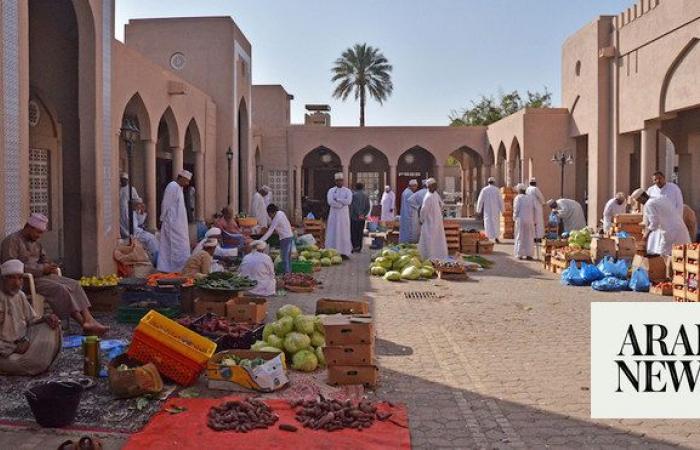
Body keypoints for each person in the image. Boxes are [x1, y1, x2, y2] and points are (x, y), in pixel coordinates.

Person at [0, 213, 108, 335]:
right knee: (60, 289)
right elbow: (10, 267)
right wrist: (41, 269)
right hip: (23, 280)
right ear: (28, 227)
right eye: (38, 232)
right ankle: (83, 323)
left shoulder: (36, 243)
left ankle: (89, 320)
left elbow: (44, 259)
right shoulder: (12, 241)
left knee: (74, 284)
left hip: (41, 277)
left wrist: (49, 266)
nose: (39, 236)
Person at [0, 260, 61, 376]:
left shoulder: (20, 295)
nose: (17, 283)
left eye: (20, 278)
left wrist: (46, 318)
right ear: (2, 279)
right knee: (29, 363)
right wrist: (13, 348)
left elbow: (31, 319)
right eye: (12, 278)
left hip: (22, 343)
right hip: (5, 351)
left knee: (52, 327)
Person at [630, 188, 690, 256]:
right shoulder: (660, 197)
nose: (640, 203)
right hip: (681, 228)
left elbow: (654, 223)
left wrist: (646, 235)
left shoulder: (649, 204)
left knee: (663, 256)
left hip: (670, 232)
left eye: (639, 201)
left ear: (642, 197)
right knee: (684, 255)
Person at [157, 170, 192, 273]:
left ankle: (178, 268)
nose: (187, 183)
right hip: (172, 223)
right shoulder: (172, 186)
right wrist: (162, 218)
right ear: (180, 178)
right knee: (174, 246)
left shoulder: (179, 188)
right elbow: (166, 204)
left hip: (179, 224)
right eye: (186, 181)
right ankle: (170, 269)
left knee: (181, 245)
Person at [418, 179, 448, 259]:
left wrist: (442, 209)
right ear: (429, 186)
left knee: (438, 240)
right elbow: (423, 211)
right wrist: (421, 220)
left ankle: (440, 256)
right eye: (434, 185)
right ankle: (429, 258)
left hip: (437, 222)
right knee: (429, 241)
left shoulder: (435, 194)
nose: (436, 187)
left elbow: (441, 203)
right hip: (429, 223)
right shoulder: (428, 197)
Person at [325, 173, 353, 258]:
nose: (339, 182)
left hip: (344, 216)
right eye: (338, 181)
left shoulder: (348, 191)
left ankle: (344, 252)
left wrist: (338, 199)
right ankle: (332, 252)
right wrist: (341, 204)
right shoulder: (331, 191)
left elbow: (348, 201)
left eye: (341, 180)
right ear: (335, 181)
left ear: (343, 181)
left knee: (344, 233)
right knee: (333, 232)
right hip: (334, 215)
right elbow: (330, 202)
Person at [261, 204, 294, 273]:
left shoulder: (277, 217)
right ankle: (289, 273)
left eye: (269, 214)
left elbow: (270, 231)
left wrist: (261, 240)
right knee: (288, 257)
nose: (269, 216)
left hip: (285, 238)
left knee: (284, 258)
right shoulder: (281, 213)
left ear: (271, 212)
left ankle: (287, 274)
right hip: (289, 236)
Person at [130, 198, 159, 265]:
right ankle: (156, 260)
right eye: (139, 205)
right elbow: (134, 228)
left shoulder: (134, 212)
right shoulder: (130, 212)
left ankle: (156, 257)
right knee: (151, 238)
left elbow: (139, 222)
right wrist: (142, 231)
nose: (139, 206)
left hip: (138, 231)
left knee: (153, 237)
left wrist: (142, 212)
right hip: (135, 233)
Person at [476, 177, 504, 243]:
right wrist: (503, 210)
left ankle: (487, 237)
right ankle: (496, 238)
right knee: (496, 223)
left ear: (488, 182)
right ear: (494, 182)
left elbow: (480, 200)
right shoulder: (497, 190)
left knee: (487, 223)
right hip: (495, 210)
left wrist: (478, 210)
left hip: (487, 210)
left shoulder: (484, 190)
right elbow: (501, 201)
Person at [513, 184, 537, 260]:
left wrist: (514, 217)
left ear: (519, 190)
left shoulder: (518, 198)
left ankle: (519, 254)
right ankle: (529, 254)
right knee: (529, 236)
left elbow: (516, 209)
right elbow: (534, 209)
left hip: (521, 219)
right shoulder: (530, 198)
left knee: (520, 236)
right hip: (530, 220)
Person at [349, 183, 371, 253]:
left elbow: (354, 206)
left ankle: (355, 246)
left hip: (354, 217)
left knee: (354, 232)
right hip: (362, 218)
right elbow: (368, 206)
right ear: (362, 187)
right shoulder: (366, 195)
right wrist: (363, 214)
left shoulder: (354, 195)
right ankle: (359, 247)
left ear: (355, 187)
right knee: (360, 232)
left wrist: (358, 214)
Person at [119, 172, 140, 238]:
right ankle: (125, 236)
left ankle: (132, 237)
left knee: (130, 224)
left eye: (124, 179)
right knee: (122, 225)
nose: (123, 180)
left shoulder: (131, 189)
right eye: (122, 179)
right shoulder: (119, 189)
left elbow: (136, 199)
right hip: (120, 210)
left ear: (127, 180)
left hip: (127, 210)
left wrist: (133, 206)